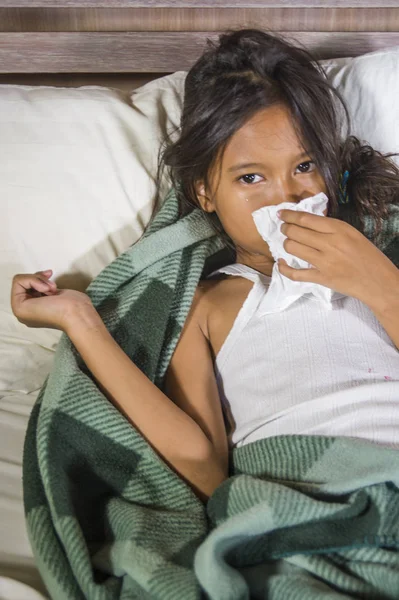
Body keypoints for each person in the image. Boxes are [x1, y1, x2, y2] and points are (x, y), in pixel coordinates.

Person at [10, 29, 399, 504]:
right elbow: (201, 467)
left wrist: (382, 285)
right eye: (250, 177)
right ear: (204, 193)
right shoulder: (207, 302)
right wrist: (80, 321)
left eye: (304, 166)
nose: (287, 198)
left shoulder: (380, 262)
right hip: (301, 495)